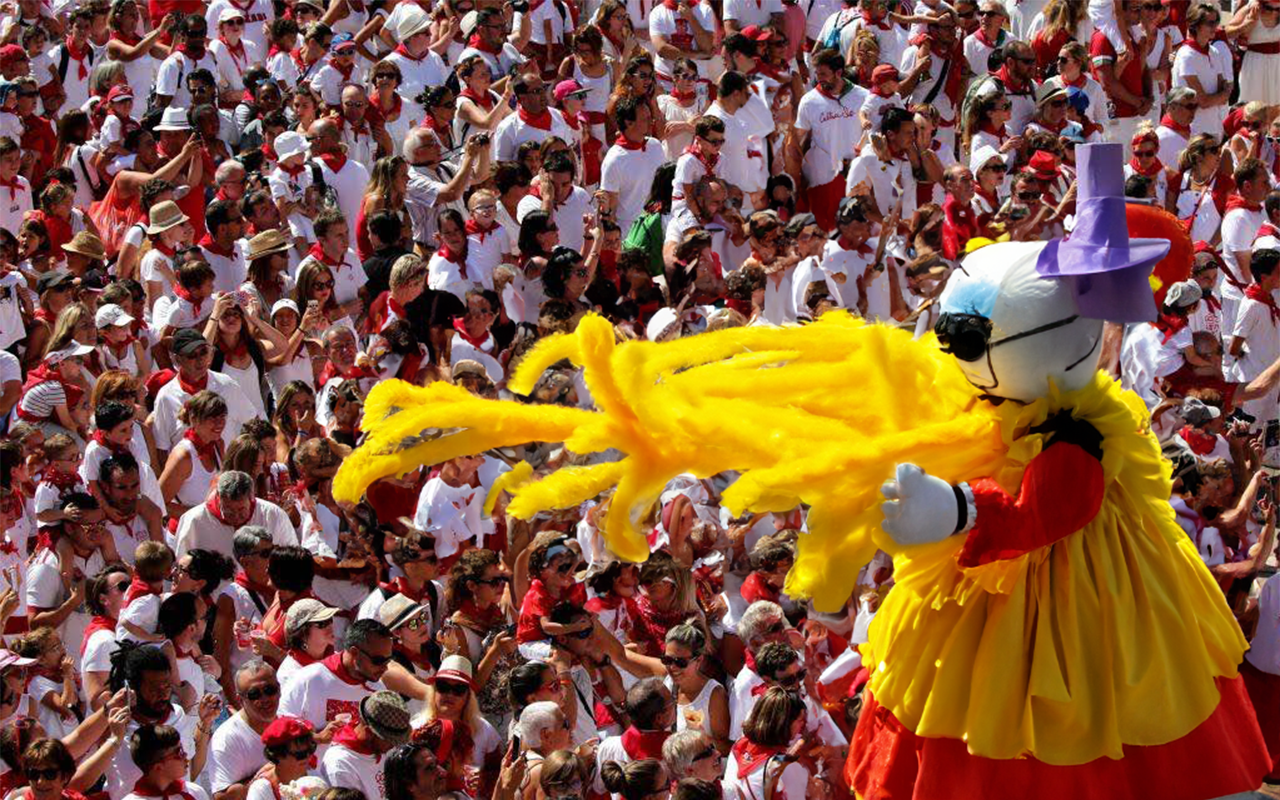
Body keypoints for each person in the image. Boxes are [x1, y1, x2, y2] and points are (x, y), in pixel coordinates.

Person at [320, 690, 411, 800]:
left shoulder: (378, 747)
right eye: (390, 740)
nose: (394, 746)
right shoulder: (340, 764)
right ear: (369, 732)